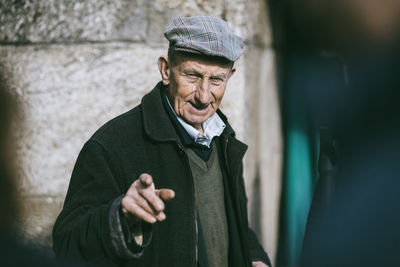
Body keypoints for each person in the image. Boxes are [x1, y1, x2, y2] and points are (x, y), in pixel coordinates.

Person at [53, 16, 271, 267]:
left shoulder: (224, 140)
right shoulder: (110, 146)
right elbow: (66, 244)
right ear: (166, 70)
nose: (203, 95)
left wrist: (254, 258)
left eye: (216, 80)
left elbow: (233, 226)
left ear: (230, 76)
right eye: (192, 75)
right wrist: (120, 216)